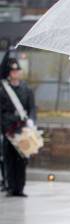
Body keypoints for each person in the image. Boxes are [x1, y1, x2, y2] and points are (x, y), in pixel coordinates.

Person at [0, 53, 36, 197]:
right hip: (9, 129)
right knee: (9, 159)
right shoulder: (3, 90)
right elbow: (2, 112)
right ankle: (11, 187)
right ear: (9, 73)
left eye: (17, 71)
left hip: (23, 129)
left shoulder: (26, 89)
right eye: (13, 71)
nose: (16, 73)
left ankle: (20, 188)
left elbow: (32, 107)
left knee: (22, 159)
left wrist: (32, 120)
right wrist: (12, 120)